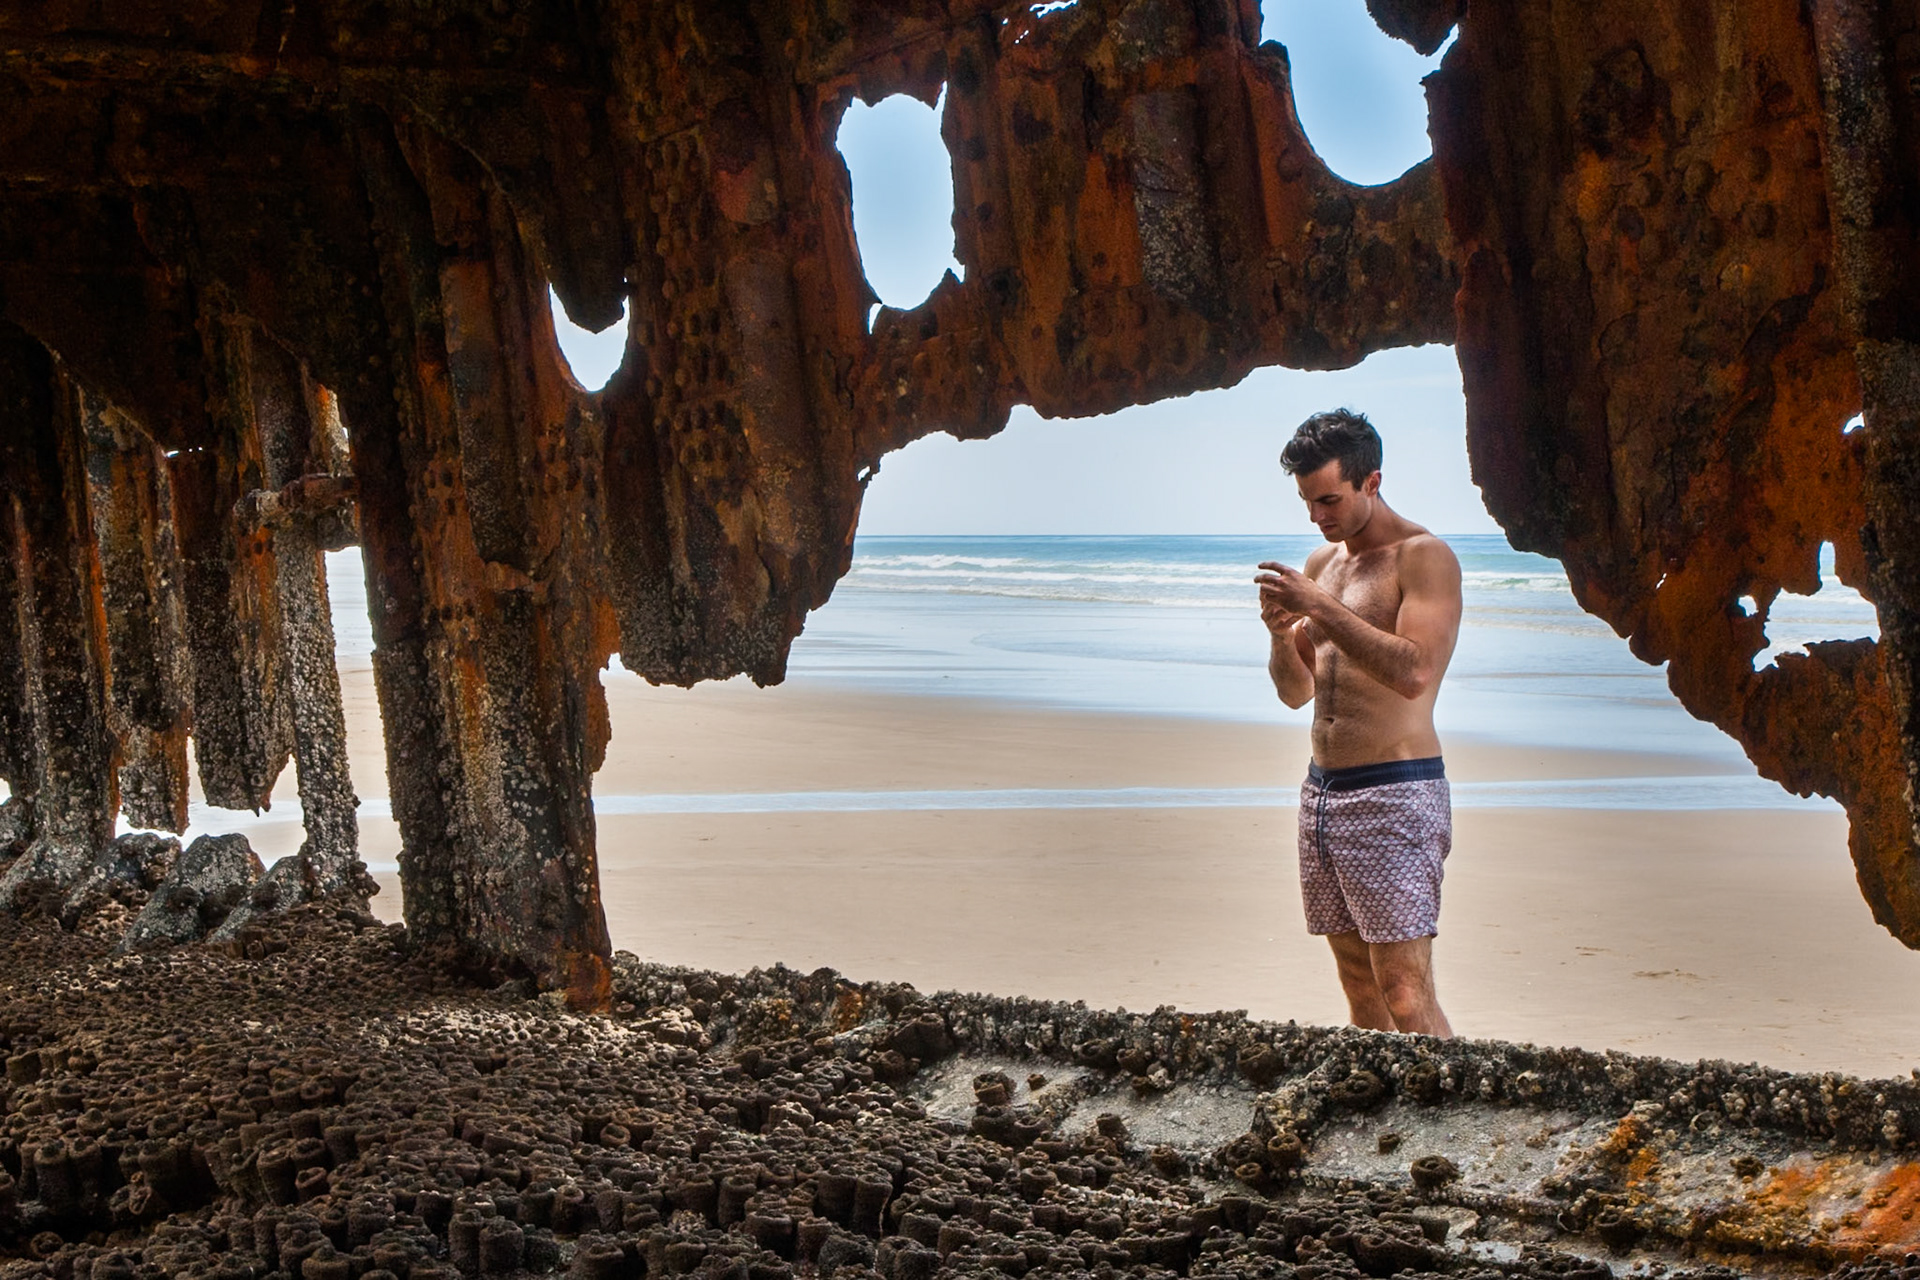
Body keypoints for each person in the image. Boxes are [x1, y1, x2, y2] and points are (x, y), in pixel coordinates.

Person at [1254, 409, 1463, 1037]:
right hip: (1323, 794)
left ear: (1371, 481)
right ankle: (1380, 1124)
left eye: (1329, 500)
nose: (1318, 517)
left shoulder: (1424, 558)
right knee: (1357, 982)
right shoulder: (1323, 563)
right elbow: (1296, 693)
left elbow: (1415, 672)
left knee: (1403, 989)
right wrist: (1276, 635)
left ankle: (1449, 1117)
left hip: (1396, 793)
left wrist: (1317, 607)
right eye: (1308, 503)